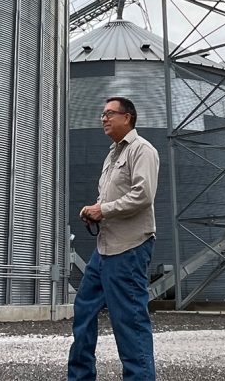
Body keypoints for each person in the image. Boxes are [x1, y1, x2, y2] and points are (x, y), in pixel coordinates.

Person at [67, 96, 160, 381]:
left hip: (129, 248)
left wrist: (103, 209)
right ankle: (80, 376)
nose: (103, 118)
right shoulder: (112, 155)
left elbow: (143, 196)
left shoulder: (142, 150)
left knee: (129, 322)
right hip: (105, 248)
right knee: (83, 310)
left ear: (128, 117)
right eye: (102, 114)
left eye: (109, 113)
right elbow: (109, 195)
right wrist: (96, 210)